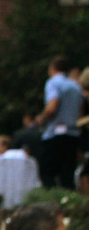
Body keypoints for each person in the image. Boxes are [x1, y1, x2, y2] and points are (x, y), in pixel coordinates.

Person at [34, 56, 82, 190]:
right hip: (73, 133)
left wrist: (41, 118)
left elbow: (52, 106)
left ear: (52, 68)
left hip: (56, 133)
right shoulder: (75, 86)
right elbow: (81, 112)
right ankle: (68, 202)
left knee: (46, 171)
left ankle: (52, 199)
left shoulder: (53, 83)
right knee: (67, 173)